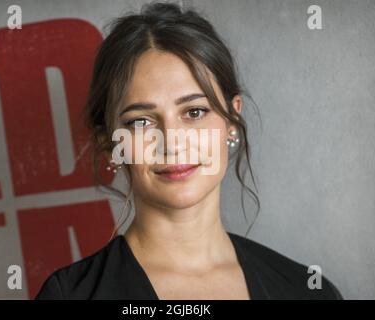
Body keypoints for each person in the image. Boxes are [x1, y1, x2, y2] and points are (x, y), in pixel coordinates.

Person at [35, 1, 343, 300]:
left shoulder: (307, 290)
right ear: (110, 142)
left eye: (194, 112)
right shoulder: (69, 295)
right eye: (141, 121)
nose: (172, 142)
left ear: (232, 120)